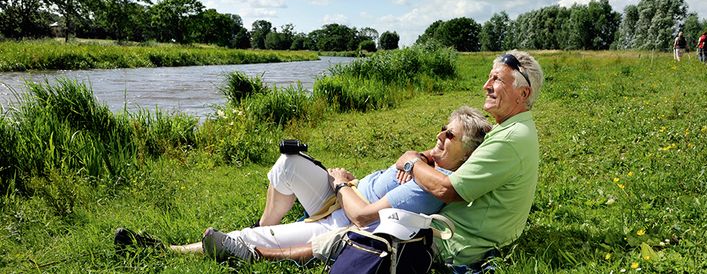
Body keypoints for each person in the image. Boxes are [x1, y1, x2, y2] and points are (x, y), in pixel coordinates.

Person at [115, 106, 491, 264]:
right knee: (289, 162)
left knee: (245, 241)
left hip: (344, 218)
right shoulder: (428, 162)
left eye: (450, 135)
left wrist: (342, 183)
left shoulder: (430, 186)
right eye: (442, 129)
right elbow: (428, 154)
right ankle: (268, 226)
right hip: (341, 197)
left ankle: (169, 249)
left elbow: (361, 218)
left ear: (467, 153)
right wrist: (417, 154)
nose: (440, 136)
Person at [394, 50, 544, 271]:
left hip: (455, 242)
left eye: (497, 79)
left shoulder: (509, 139)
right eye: (489, 77)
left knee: (353, 232)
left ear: (523, 94)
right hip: (464, 233)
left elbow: (448, 190)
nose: (486, 85)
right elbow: (467, 153)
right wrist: (425, 155)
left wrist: (411, 162)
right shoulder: (514, 128)